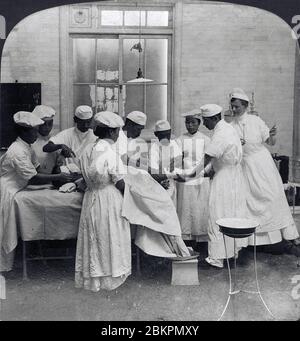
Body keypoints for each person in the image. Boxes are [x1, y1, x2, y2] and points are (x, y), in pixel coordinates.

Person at [0, 111, 75, 271]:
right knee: (4, 231)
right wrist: (59, 176)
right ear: (23, 132)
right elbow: (33, 177)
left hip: (19, 187)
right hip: (7, 190)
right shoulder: (17, 151)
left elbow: (38, 169)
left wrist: (59, 170)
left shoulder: (27, 147)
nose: (37, 133)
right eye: (34, 130)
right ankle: (4, 267)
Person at [177, 104, 248, 268]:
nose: (204, 124)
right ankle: (231, 252)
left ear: (214, 118)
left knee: (217, 215)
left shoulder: (221, 133)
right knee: (231, 214)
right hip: (233, 176)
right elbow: (216, 160)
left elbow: (207, 159)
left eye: (206, 121)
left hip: (225, 178)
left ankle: (216, 258)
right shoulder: (227, 129)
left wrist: (189, 176)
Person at [229, 89, 300, 253]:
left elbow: (270, 142)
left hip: (262, 164)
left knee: (271, 197)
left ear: (245, 106)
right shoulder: (230, 126)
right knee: (249, 202)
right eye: (232, 107)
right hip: (245, 167)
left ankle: (287, 237)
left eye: (237, 107)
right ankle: (254, 242)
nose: (233, 110)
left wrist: (273, 134)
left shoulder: (256, 120)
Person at [75, 111, 131, 292]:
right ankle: (110, 279)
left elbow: (84, 178)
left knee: (94, 236)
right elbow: (120, 183)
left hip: (91, 196)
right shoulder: (110, 153)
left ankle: (94, 280)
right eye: (117, 131)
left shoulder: (87, 150)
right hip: (108, 198)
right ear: (112, 132)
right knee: (110, 235)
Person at [176, 109, 211, 242]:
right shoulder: (180, 139)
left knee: (200, 206)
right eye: (187, 122)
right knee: (186, 207)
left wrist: (204, 172)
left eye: (193, 122)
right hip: (186, 178)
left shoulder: (205, 139)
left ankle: (201, 237)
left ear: (199, 123)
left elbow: (210, 159)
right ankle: (186, 237)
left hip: (201, 177)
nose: (190, 125)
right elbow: (177, 158)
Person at [149, 120, 182, 205]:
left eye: (167, 135)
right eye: (162, 136)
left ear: (170, 132)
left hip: (172, 180)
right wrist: (161, 179)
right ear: (156, 135)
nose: (165, 138)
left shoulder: (174, 144)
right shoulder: (154, 147)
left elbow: (177, 163)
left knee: (172, 206)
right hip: (159, 182)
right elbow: (154, 167)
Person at [31, 105, 57, 174]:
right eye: (43, 124)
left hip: (51, 182)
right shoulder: (30, 142)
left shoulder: (55, 140)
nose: (47, 128)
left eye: (50, 124)